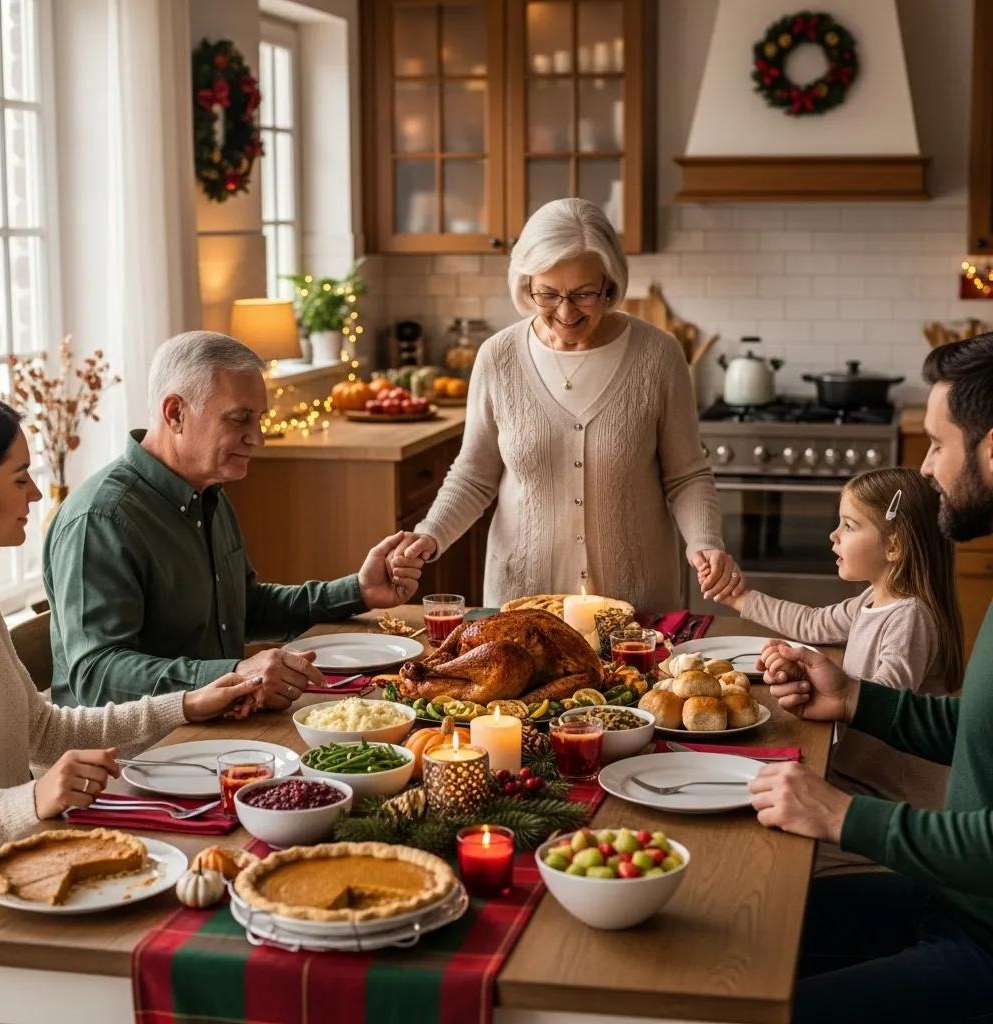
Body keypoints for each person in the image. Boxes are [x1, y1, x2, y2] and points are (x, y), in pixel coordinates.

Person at [750, 333, 993, 1021]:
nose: (928, 467)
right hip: (955, 895)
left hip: (982, 945)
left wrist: (844, 816)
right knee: (740, 925)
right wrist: (854, 696)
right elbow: (977, 727)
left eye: (938, 444)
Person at [388, 198, 739, 611]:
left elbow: (686, 475)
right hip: (523, 605)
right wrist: (429, 535)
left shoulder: (658, 355)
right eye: (548, 294)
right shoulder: (498, 357)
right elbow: (474, 476)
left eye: (583, 294)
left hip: (636, 606)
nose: (566, 311)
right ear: (526, 285)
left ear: (609, 284)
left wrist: (705, 543)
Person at [44, 331, 423, 710]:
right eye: (239, 419)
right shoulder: (101, 519)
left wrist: (357, 591)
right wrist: (237, 674)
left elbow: (245, 609)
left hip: (209, 728)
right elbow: (95, 676)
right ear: (175, 413)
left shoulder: (207, 494)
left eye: (258, 419)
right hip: (127, 755)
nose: (257, 438)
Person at [0, 394, 262, 870]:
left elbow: (44, 730)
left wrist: (186, 703)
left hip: (22, 863)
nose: (37, 495)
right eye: (21, 479)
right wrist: (33, 799)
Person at [712, 467, 961, 854]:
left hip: (891, 799)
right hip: (857, 774)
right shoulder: (871, 599)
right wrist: (739, 599)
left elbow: (886, 699)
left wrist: (814, 679)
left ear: (894, 547)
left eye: (848, 525)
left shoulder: (909, 617)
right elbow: (812, 623)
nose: (833, 535)